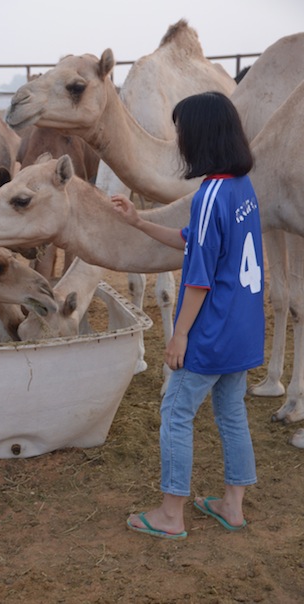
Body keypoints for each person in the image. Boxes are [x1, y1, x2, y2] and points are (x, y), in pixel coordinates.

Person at [111, 91, 265, 540]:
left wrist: (179, 337)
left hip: (209, 332)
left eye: (181, 132)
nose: (179, 141)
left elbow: (197, 278)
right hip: (241, 330)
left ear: (199, 136)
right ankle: (232, 506)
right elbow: (194, 242)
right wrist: (139, 222)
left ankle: (170, 514)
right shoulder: (240, 187)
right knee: (232, 413)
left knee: (175, 412)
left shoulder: (210, 195)